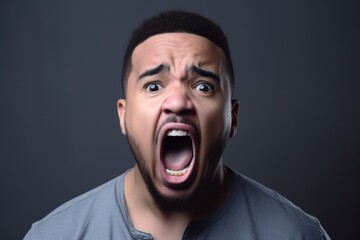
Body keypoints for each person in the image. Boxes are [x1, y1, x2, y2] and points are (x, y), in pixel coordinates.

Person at [24, 11, 330, 240]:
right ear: (123, 116)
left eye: (203, 87)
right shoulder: (53, 235)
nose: (178, 102)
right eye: (154, 86)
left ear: (232, 118)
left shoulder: (296, 234)